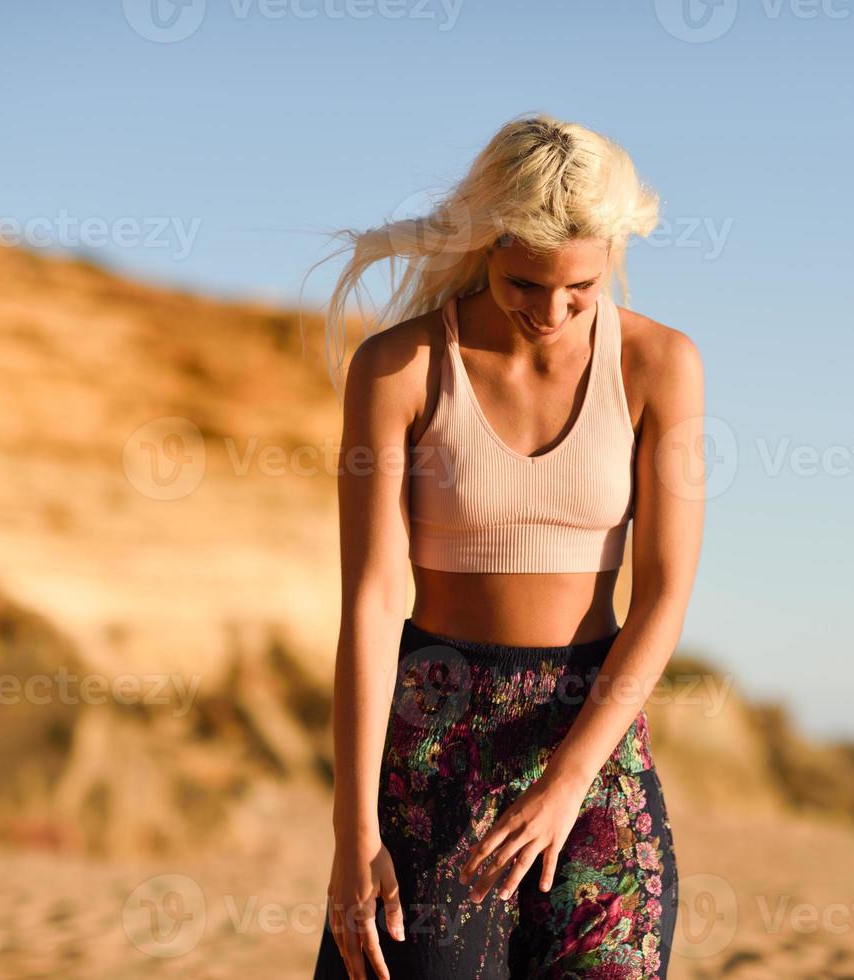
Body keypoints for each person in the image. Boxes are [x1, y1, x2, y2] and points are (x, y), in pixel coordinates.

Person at [305, 111, 705, 979]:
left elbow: (664, 593)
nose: (551, 313)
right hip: (433, 739)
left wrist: (567, 784)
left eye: (581, 289)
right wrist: (352, 832)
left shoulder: (659, 365)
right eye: (525, 283)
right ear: (485, 244)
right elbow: (372, 602)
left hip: (591, 741)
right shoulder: (398, 367)